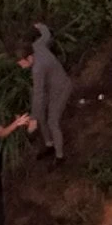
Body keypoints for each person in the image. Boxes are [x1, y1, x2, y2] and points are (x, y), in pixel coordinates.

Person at [23, 23, 75, 161]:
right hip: (50, 88)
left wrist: (32, 119)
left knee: (52, 121)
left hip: (61, 88)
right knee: (41, 116)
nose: (22, 66)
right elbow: (46, 34)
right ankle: (49, 144)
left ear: (29, 58)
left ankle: (60, 156)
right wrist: (40, 26)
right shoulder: (37, 46)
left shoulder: (37, 69)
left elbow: (38, 94)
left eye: (22, 63)